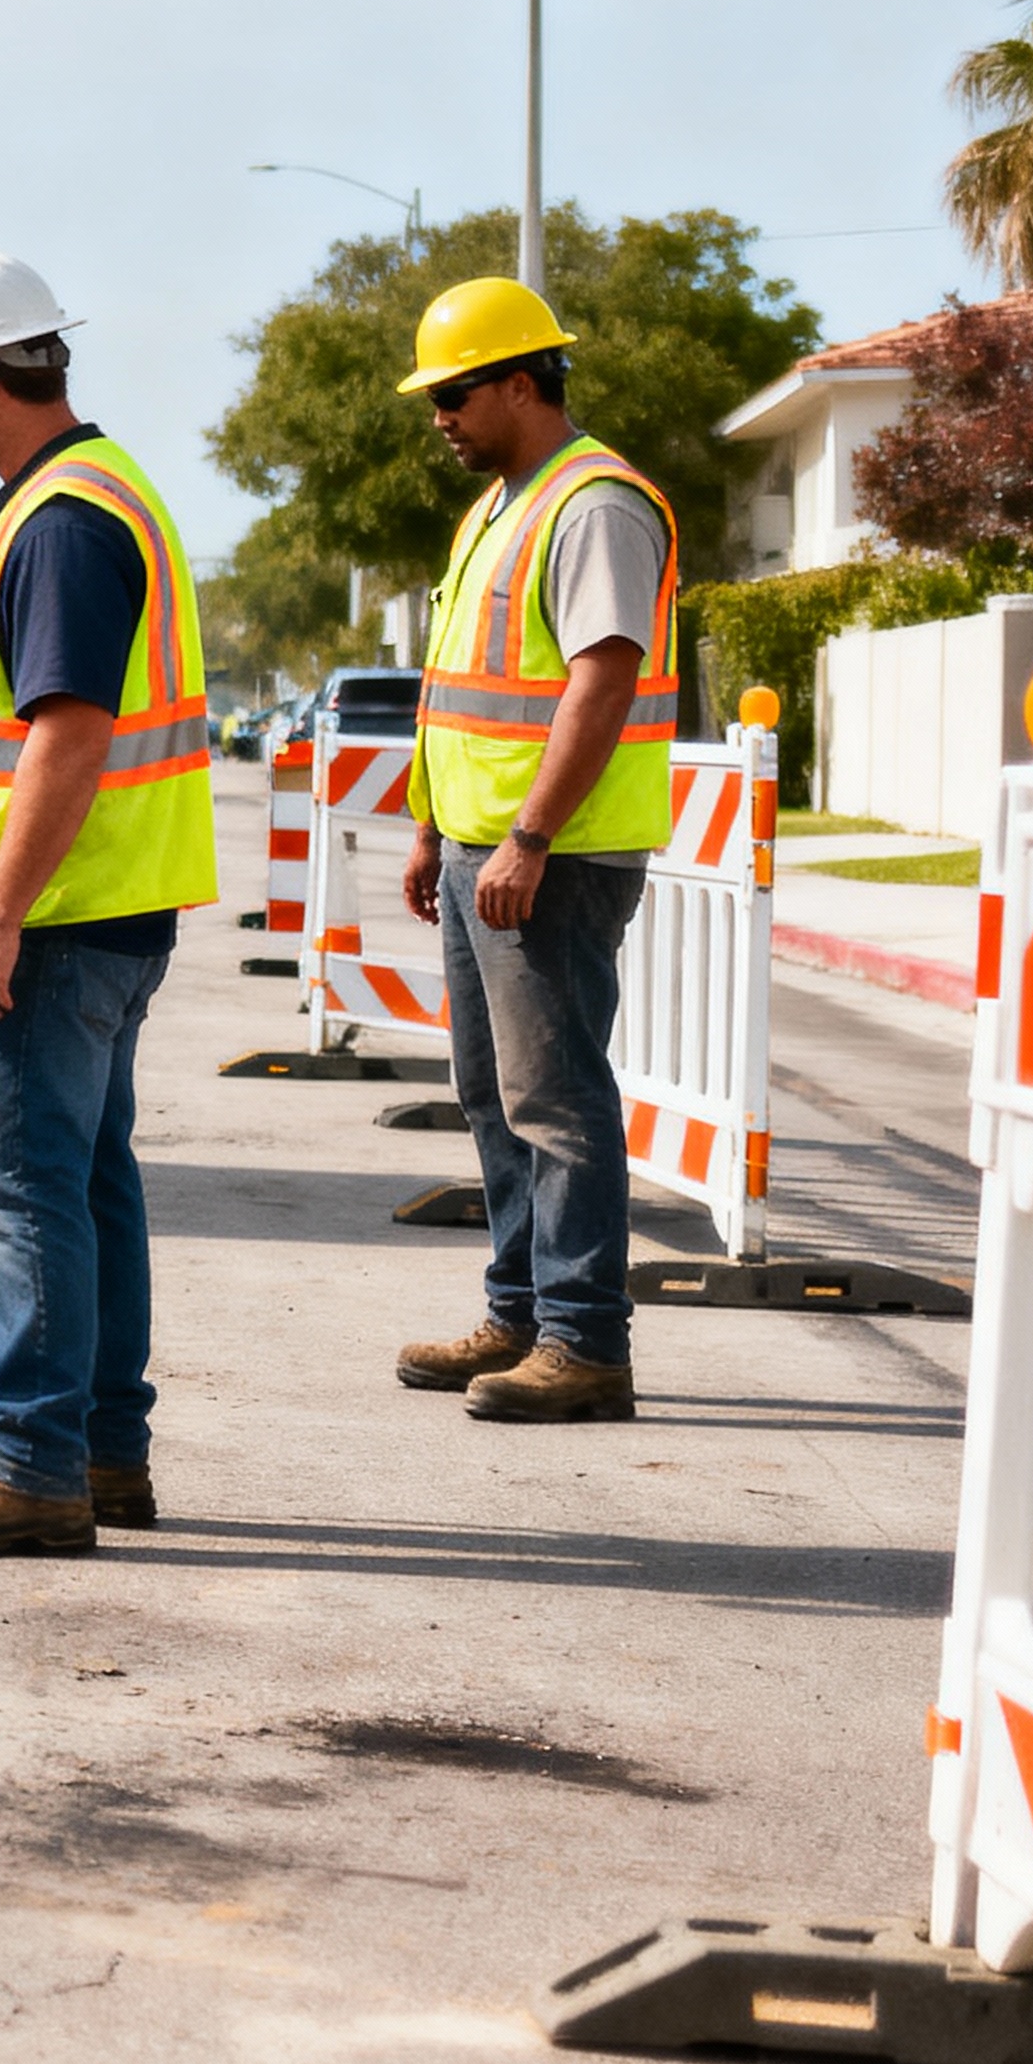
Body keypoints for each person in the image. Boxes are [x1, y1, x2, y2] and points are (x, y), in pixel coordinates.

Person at [0, 252, 216, 1559]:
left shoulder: (64, 521)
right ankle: (96, 1448)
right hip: (108, 908)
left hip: (58, 921)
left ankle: (33, 1467)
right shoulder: (85, 494)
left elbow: (68, 733)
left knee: (17, 1188)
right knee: (86, 1187)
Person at [387, 277, 678, 1426]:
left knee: (554, 1098)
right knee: (491, 1093)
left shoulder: (594, 503)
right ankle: (520, 1316)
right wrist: (432, 823)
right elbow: (463, 695)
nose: (440, 415)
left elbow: (598, 682)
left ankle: (584, 1341)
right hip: (481, 850)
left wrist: (527, 837)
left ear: (522, 381)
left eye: (455, 393)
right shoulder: (501, 505)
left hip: (550, 860)